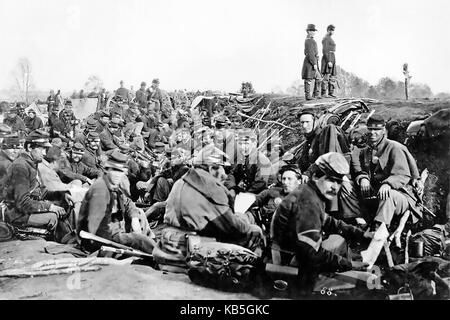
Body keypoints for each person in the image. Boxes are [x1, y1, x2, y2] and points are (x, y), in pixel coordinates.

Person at [271, 152, 373, 294]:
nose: (335, 187)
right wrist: (349, 264)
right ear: (315, 177)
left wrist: (360, 234)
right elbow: (312, 253)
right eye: (331, 180)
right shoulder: (308, 201)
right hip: (289, 264)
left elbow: (329, 221)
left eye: (338, 182)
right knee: (365, 278)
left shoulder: (310, 192)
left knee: (338, 240)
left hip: (293, 254)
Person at [163, 149, 264, 254]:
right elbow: (235, 228)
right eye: (222, 168)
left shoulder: (181, 181)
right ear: (212, 169)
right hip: (193, 250)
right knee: (255, 231)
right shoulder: (210, 188)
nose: (224, 175)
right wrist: (241, 216)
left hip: (169, 242)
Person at [338, 114, 422, 236]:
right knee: (346, 186)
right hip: (375, 194)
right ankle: (360, 223)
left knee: (388, 194)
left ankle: (378, 230)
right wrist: (362, 178)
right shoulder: (367, 150)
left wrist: (388, 184)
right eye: (370, 129)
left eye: (377, 130)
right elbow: (359, 170)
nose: (373, 133)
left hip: (400, 196)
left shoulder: (394, 147)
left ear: (383, 131)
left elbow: (403, 175)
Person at [77, 150, 156, 254]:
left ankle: (154, 246)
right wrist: (128, 237)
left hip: (114, 231)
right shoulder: (100, 190)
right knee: (141, 241)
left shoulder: (112, 186)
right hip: (98, 239)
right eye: (114, 170)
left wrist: (134, 218)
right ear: (106, 170)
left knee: (138, 213)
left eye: (121, 171)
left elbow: (128, 202)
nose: (117, 175)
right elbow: (99, 229)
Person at [3, 130, 72, 232]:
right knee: (52, 216)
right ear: (30, 147)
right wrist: (50, 207)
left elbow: (40, 191)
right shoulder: (20, 166)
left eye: (46, 149)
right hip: (16, 215)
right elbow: (22, 203)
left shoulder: (32, 163)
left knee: (62, 207)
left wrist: (60, 195)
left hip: (25, 210)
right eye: (42, 149)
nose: (44, 153)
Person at [296, 110, 350, 184]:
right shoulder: (308, 141)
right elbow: (302, 162)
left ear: (315, 121)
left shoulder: (325, 134)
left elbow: (327, 158)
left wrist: (308, 173)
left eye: (307, 122)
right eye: (302, 122)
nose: (304, 126)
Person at [224, 128, 273, 196]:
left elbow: (260, 185)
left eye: (246, 143)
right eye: (240, 143)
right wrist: (232, 188)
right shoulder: (243, 158)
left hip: (261, 196)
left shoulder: (262, 160)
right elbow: (232, 175)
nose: (242, 147)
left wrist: (242, 195)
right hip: (248, 193)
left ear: (254, 143)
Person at [301, 24, 321, 100]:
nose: (313, 32)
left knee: (318, 77)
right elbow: (309, 53)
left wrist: (317, 56)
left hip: (313, 60)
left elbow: (311, 52)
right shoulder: (308, 40)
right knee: (308, 79)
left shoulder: (311, 40)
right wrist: (314, 63)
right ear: (308, 31)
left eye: (314, 31)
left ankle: (315, 95)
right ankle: (308, 96)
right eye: (312, 31)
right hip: (310, 62)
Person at [321, 25, 337, 98]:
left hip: (332, 57)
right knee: (326, 76)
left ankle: (331, 93)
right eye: (330, 30)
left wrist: (332, 60)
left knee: (332, 76)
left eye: (333, 30)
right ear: (327, 30)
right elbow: (325, 50)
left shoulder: (330, 38)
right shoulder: (326, 39)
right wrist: (329, 61)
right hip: (328, 58)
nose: (332, 31)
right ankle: (324, 93)